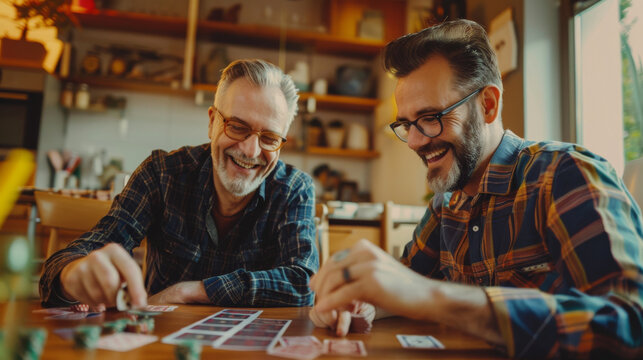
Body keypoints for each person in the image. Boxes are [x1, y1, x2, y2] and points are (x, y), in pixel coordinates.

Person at [309, 19, 643, 358]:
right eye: (407, 124)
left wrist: (434, 297)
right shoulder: (447, 201)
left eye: (431, 117)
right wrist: (359, 303)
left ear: (488, 105)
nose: (413, 141)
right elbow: (404, 284)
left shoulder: (565, 174)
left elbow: (631, 326)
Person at [40, 59, 318, 310]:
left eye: (269, 137)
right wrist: (74, 277)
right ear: (212, 123)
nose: (250, 150)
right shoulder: (161, 174)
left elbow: (303, 284)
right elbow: (81, 255)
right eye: (237, 126)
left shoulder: (295, 189)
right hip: (159, 341)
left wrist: (191, 291)